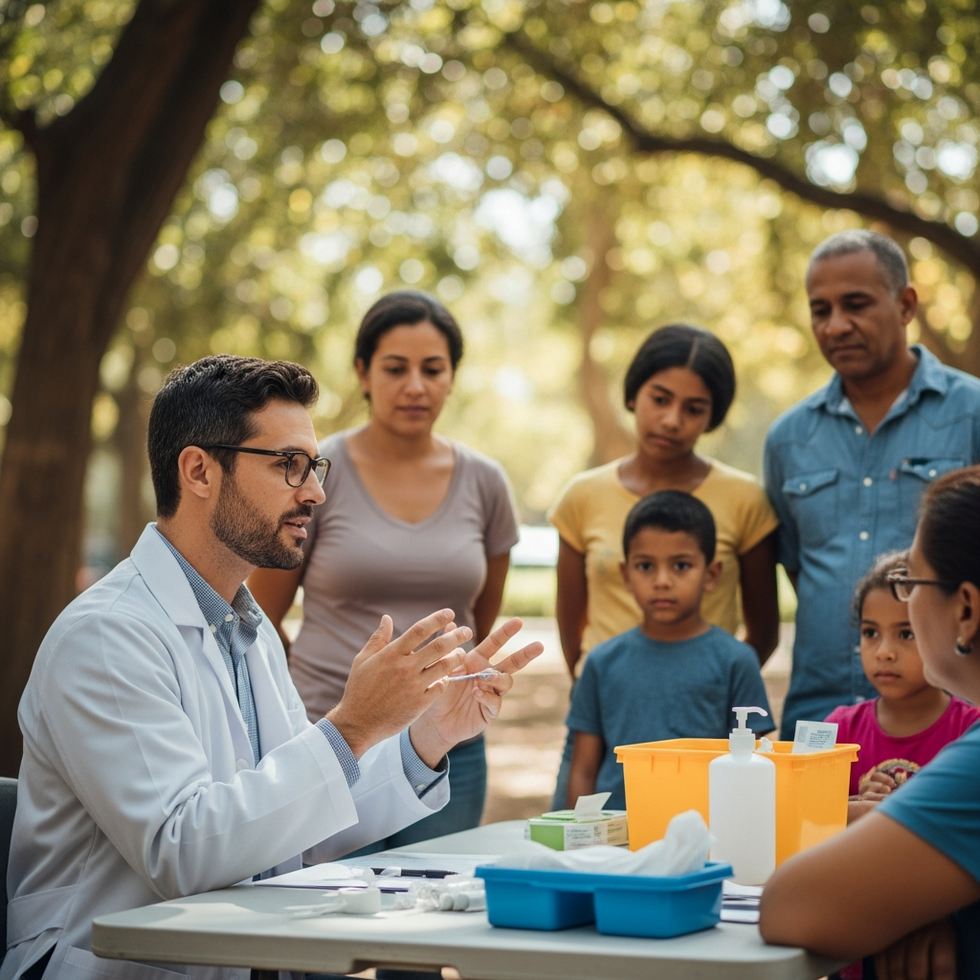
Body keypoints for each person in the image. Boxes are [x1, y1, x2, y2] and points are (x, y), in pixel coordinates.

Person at [1, 355, 541, 980]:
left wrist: (429, 736)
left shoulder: (245, 629)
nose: (314, 492)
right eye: (288, 464)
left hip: (241, 956)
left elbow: (295, 822)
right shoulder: (105, 637)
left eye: (314, 466)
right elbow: (180, 852)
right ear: (199, 471)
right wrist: (352, 727)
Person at [249, 291, 520, 846]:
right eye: (396, 368)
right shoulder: (318, 473)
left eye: (432, 369)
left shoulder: (486, 482)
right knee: (325, 894)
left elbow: (479, 616)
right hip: (331, 734)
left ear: (451, 377)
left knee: (436, 894)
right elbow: (263, 613)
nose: (415, 386)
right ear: (363, 373)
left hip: (448, 740)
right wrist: (328, 702)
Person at [760, 466, 980, 978]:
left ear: (966, 610)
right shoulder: (843, 724)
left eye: (911, 584)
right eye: (869, 631)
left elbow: (789, 906)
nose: (885, 649)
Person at [549, 323, 779, 806]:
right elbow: (571, 623)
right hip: (605, 720)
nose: (672, 420)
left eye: (694, 409)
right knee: (585, 841)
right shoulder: (582, 496)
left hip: (703, 735)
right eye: (660, 399)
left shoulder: (745, 500)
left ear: (712, 417)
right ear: (634, 394)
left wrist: (701, 687)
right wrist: (605, 691)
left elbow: (763, 627)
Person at [764, 229, 980, 739]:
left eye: (856, 304)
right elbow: (797, 568)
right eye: (820, 310)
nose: (836, 325)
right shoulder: (788, 439)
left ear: (906, 305)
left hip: (945, 719)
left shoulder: (971, 414)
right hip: (818, 717)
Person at [566, 491, 773, 809]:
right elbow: (583, 770)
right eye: (645, 566)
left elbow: (753, 766)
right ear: (626, 575)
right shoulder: (601, 662)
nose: (662, 581)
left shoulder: (736, 660)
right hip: (617, 830)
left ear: (711, 574)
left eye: (681, 565)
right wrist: (580, 834)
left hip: (706, 829)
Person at [828, 550, 980, 826]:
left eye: (906, 634)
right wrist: (854, 808)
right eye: (870, 633)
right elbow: (807, 814)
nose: (884, 652)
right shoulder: (839, 730)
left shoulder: (970, 730)